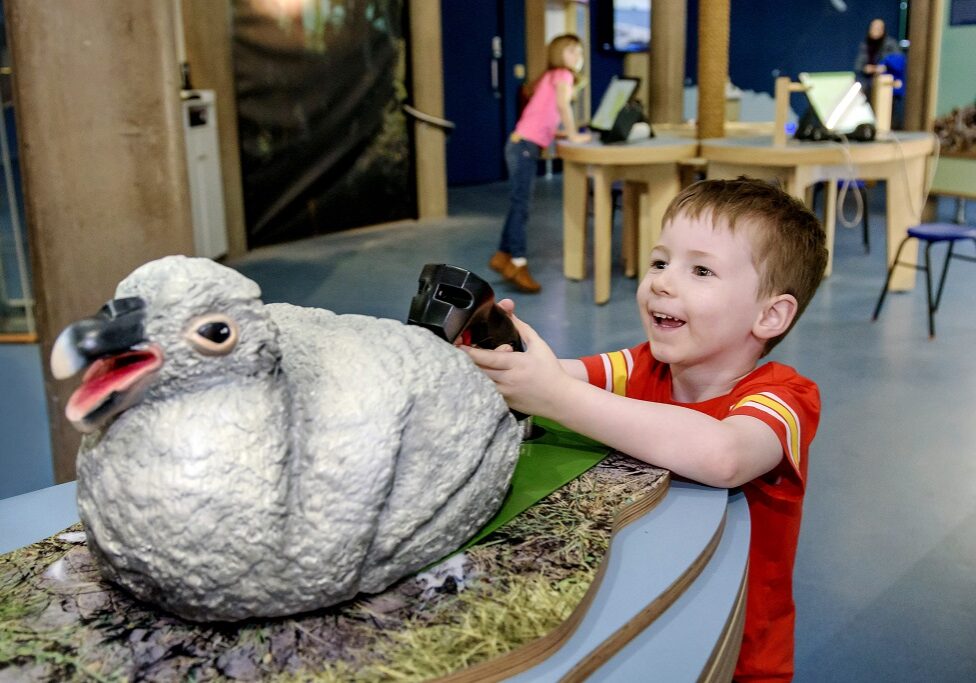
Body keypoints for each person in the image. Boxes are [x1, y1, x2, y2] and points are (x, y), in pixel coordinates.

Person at [465, 178, 829, 680]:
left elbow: (724, 455)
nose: (662, 281)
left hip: (741, 654)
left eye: (700, 270)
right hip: (648, 627)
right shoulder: (642, 365)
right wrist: (499, 353)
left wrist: (554, 393)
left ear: (770, 315)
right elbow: (559, 374)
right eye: (661, 261)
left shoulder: (785, 398)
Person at [490, 34, 591, 294]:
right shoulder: (564, 76)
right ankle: (518, 263)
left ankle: (502, 255)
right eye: (571, 51)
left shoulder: (549, 76)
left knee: (517, 202)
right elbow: (562, 106)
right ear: (559, 53)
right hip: (523, 147)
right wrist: (571, 134)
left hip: (519, 143)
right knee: (521, 205)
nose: (577, 57)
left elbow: (543, 116)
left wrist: (558, 134)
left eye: (579, 52)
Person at [854, 18, 902, 98]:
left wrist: (879, 68)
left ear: (883, 30)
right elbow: (859, 66)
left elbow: (897, 64)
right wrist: (867, 69)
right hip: (867, 83)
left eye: (878, 28)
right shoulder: (865, 44)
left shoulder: (891, 45)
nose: (875, 30)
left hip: (887, 84)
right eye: (873, 27)